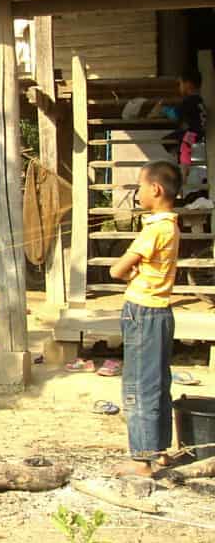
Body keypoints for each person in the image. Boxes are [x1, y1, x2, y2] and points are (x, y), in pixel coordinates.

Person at [109, 161, 182, 477]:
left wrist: (128, 271)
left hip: (142, 311)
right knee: (158, 382)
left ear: (156, 189)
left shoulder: (154, 229)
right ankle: (159, 451)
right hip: (161, 311)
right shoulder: (172, 226)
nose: (137, 193)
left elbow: (117, 269)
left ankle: (141, 459)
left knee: (138, 384)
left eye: (140, 186)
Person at [161, 68, 208, 189]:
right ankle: (181, 161)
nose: (179, 87)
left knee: (179, 147)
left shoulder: (189, 100)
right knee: (173, 141)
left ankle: (183, 171)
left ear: (188, 84)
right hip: (199, 132)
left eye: (180, 84)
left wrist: (164, 110)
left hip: (192, 133)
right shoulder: (199, 100)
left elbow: (175, 115)